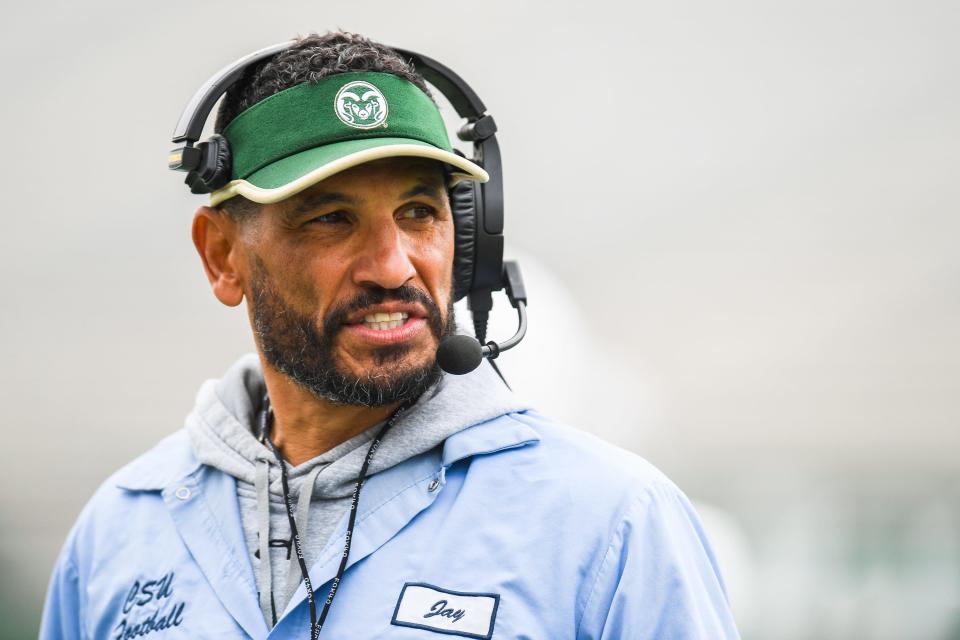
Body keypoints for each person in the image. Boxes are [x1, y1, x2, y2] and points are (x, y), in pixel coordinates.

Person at [40, 31, 740, 639]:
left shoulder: (612, 525)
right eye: (330, 219)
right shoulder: (116, 536)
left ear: (466, 239)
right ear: (223, 257)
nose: (393, 265)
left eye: (417, 211)